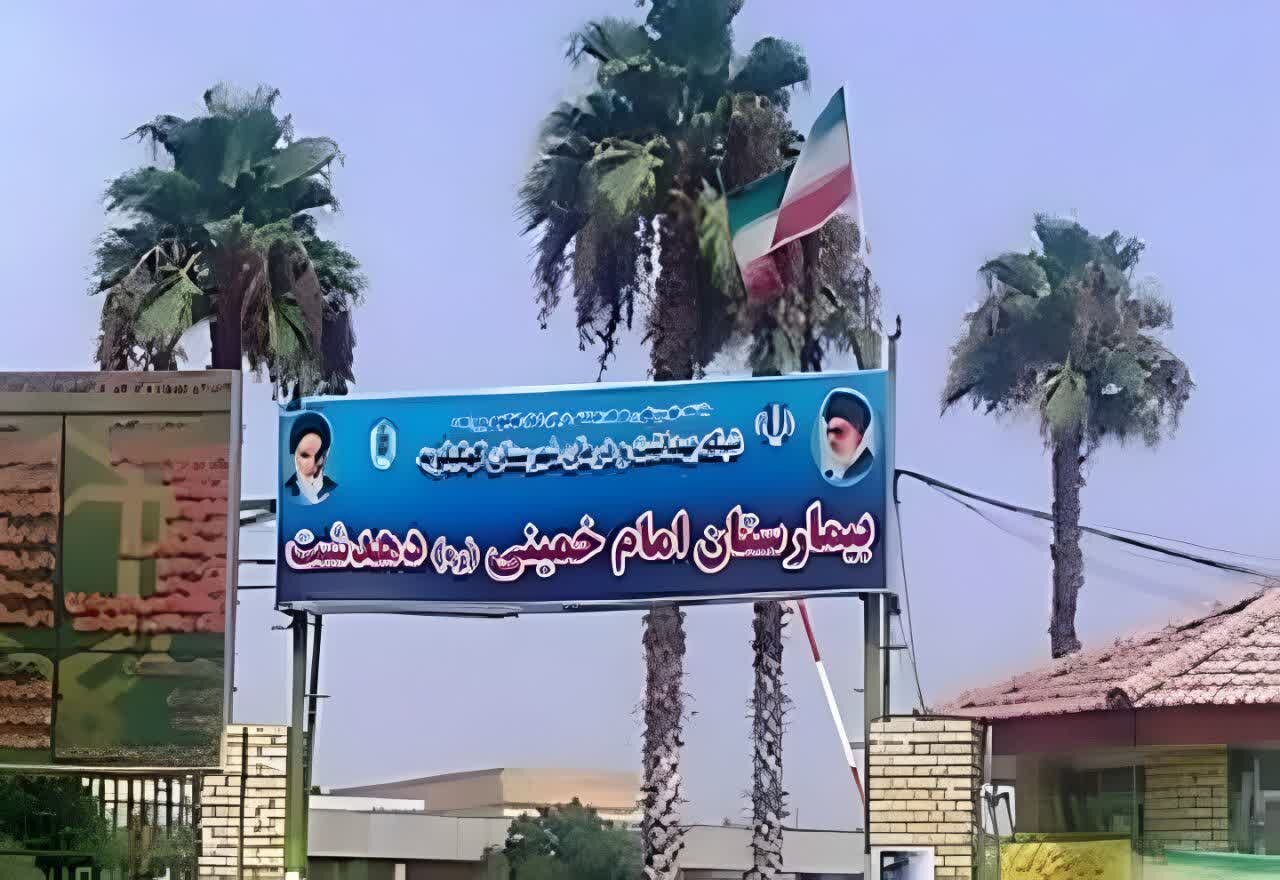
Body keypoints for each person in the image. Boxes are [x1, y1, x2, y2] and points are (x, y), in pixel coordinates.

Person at [818, 389, 874, 483]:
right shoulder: (845, 473)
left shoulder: (864, 471)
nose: (831, 439)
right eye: (828, 432)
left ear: (860, 435)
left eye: (838, 431)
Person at [284, 413, 337, 504]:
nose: (312, 464)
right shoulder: (285, 491)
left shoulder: (335, 490)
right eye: (305, 455)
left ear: (326, 455)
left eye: (319, 455)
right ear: (294, 455)